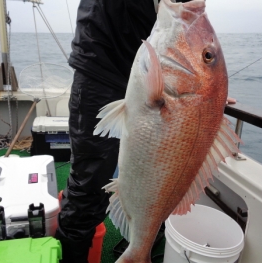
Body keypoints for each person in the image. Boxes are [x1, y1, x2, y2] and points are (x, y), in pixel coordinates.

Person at [55, 1, 234, 262]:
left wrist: (211, 94)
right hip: (101, 65)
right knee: (87, 186)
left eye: (207, 55)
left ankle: (140, 248)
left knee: (134, 187)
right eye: (207, 55)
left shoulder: (178, 23)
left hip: (145, 69)